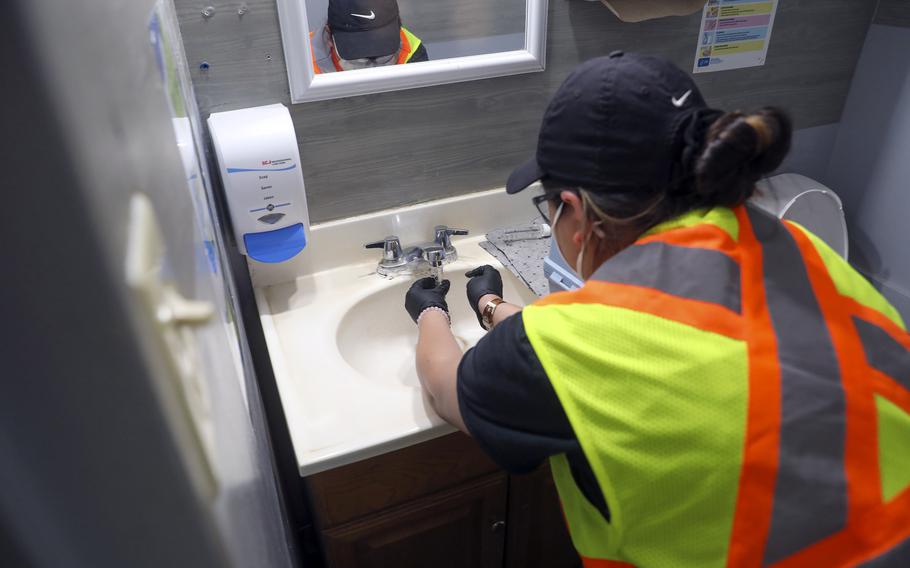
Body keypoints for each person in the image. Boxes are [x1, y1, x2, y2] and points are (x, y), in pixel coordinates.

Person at [404, 52, 910, 567]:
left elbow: (449, 387)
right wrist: (492, 306)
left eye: (549, 205)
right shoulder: (798, 246)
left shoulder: (574, 345)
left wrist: (429, 312)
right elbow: (643, 346)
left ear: (576, 213)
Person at [310, 0, 428, 74]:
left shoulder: (411, 51)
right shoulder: (303, 63)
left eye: (382, 57)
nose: (371, 69)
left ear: (398, 29)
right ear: (329, 36)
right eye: (358, 59)